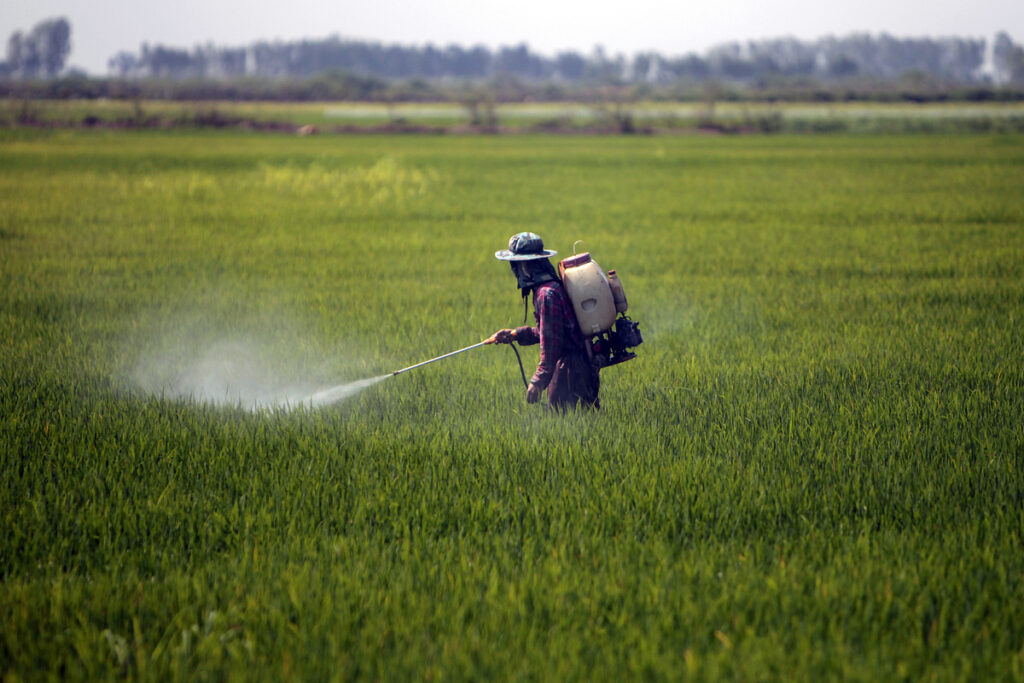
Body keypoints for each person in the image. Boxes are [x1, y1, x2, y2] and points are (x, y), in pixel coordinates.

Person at [487, 232, 600, 410]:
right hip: (580, 366)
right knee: (581, 423)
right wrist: (515, 334)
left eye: (515, 265)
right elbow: (548, 331)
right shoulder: (550, 288)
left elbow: (551, 345)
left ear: (525, 266)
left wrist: (538, 381)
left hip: (569, 373)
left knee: (566, 426)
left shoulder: (546, 295)